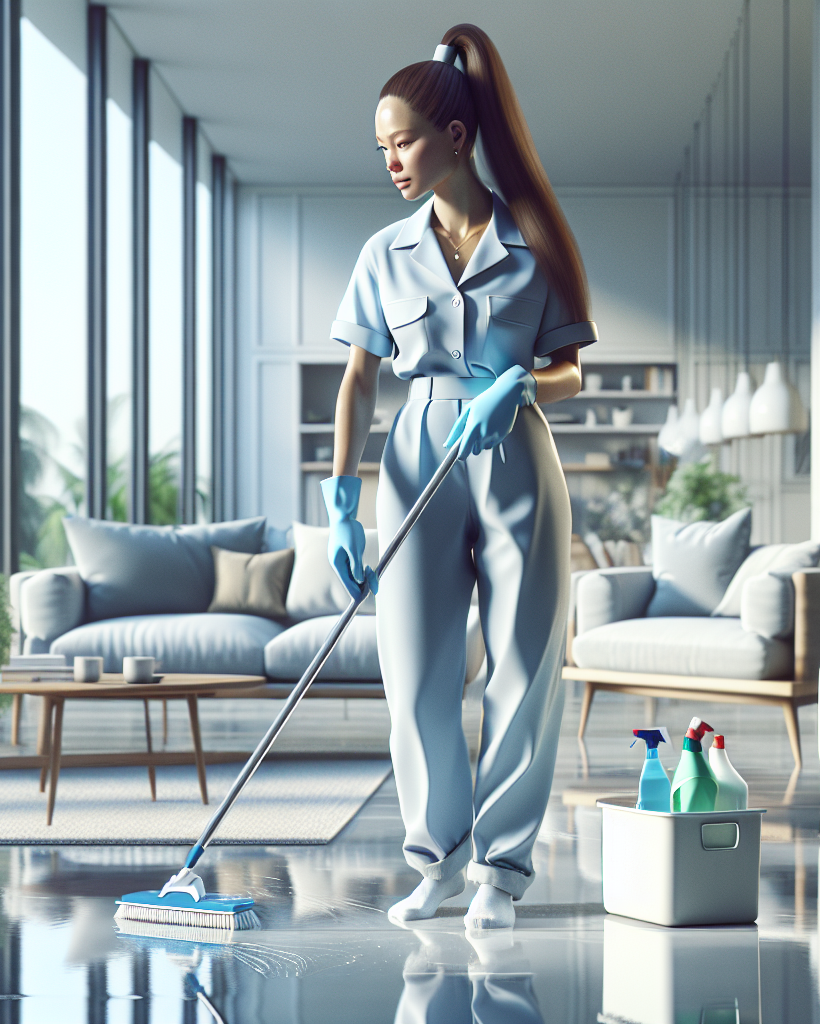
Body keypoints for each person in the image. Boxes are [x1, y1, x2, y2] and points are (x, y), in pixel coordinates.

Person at [325, 23, 597, 931]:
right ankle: (435, 862)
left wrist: (521, 380)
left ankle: (501, 875)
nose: (391, 160)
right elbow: (360, 379)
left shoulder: (536, 241)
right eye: (381, 146)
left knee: (522, 668)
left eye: (401, 140)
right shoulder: (382, 255)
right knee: (417, 673)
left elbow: (571, 370)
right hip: (415, 466)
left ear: (455, 135)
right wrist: (341, 501)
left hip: (516, 456)